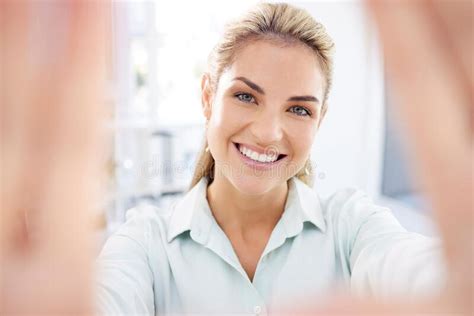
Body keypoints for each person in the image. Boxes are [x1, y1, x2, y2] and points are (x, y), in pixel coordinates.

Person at [1, 1, 471, 315]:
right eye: (246, 97)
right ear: (208, 97)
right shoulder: (145, 242)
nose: (268, 132)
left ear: (320, 120)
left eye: (299, 109)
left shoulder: (353, 227)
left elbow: (414, 267)